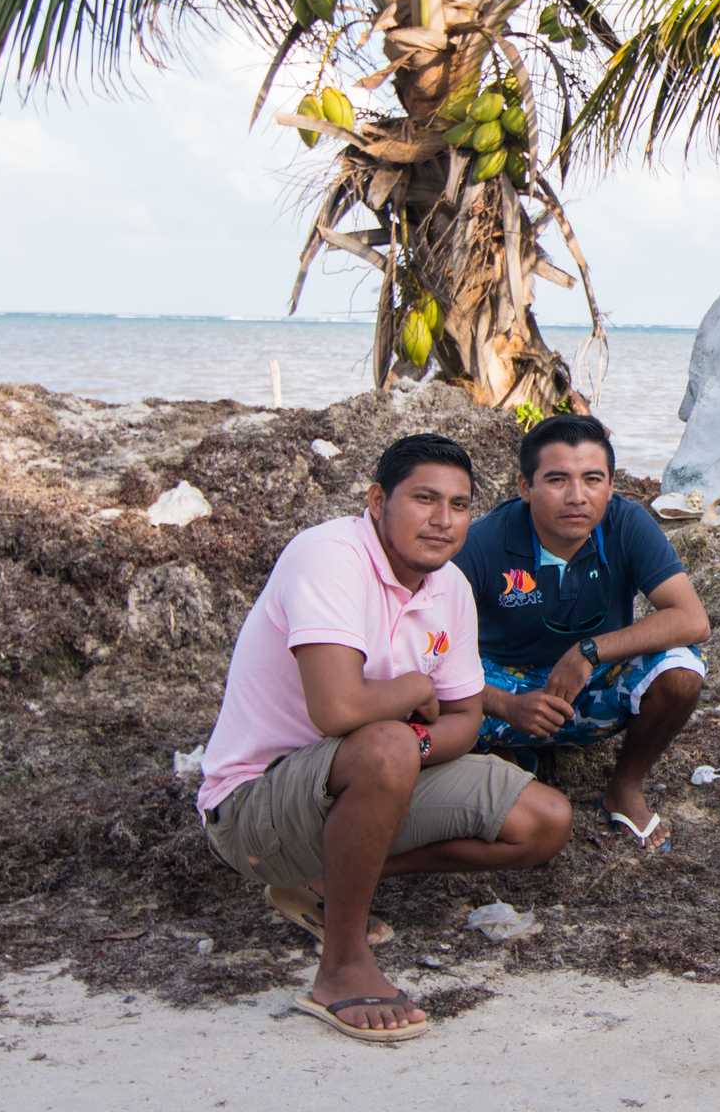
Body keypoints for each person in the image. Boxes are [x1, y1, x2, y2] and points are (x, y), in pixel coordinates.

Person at [196, 434, 573, 1044]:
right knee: (385, 745)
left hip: (366, 780)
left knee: (544, 820)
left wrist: (412, 747)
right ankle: (341, 967)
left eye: (459, 504)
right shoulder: (329, 556)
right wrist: (410, 691)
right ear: (377, 500)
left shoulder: (448, 586)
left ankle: (326, 882)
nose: (443, 520)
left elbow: (465, 718)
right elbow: (337, 709)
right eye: (424, 499)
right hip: (255, 808)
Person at [454, 414, 709, 854]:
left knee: (682, 669)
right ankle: (503, 763)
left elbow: (692, 618)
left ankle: (625, 788)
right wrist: (506, 704)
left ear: (611, 485)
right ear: (524, 487)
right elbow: (427, 651)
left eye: (593, 479)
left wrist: (589, 652)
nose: (577, 497)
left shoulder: (626, 523)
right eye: (556, 480)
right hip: (502, 688)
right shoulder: (483, 542)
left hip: (590, 683)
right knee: (430, 704)